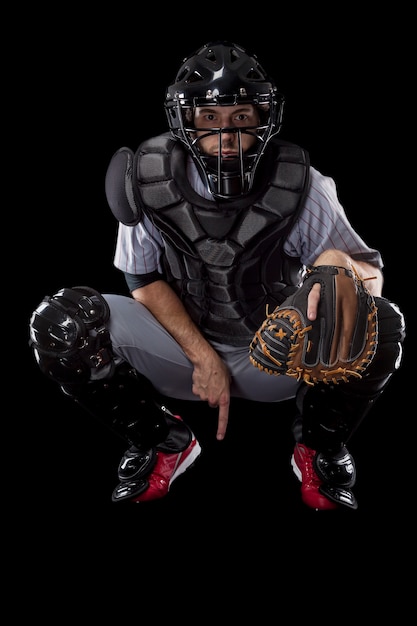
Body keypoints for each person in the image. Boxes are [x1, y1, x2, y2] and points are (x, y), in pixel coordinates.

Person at [29, 41, 405, 511]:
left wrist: (343, 268)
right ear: (186, 122)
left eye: (241, 118)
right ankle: (162, 441)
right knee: (61, 323)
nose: (226, 135)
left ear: (262, 119)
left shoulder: (304, 185)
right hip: (182, 351)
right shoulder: (147, 178)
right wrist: (203, 358)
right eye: (210, 119)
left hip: (275, 352)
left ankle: (319, 446)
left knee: (381, 320)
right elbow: (140, 280)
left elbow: (372, 273)